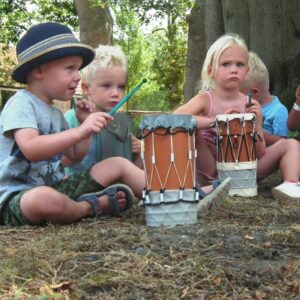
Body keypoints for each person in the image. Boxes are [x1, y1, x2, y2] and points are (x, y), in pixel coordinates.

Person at [0, 22, 147, 227]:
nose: (77, 76)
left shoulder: (56, 113)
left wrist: (84, 125)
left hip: (57, 188)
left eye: (78, 69)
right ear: (39, 71)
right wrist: (79, 131)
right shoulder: (21, 103)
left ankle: (173, 195)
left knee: (117, 163)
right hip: (17, 199)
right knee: (42, 199)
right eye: (70, 68)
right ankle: (86, 207)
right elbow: (31, 148)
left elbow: (75, 155)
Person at [174, 33, 300, 203]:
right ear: (211, 70)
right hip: (211, 171)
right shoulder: (206, 99)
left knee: (291, 144)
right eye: (226, 64)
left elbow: (260, 153)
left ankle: (290, 186)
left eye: (240, 64)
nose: (234, 69)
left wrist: (257, 124)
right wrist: (216, 122)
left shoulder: (249, 103)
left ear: (246, 71)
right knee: (189, 128)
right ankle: (208, 187)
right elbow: (175, 119)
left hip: (244, 173)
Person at [63, 45, 142, 175]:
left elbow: (132, 169)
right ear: (86, 88)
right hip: (78, 188)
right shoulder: (71, 119)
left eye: (121, 87)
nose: (116, 93)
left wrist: (137, 153)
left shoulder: (121, 123)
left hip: (114, 188)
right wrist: (82, 132)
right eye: (106, 86)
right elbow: (60, 162)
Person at [240, 52, 289, 145]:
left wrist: (256, 132)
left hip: (267, 155)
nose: (238, 99)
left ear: (255, 92)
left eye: (241, 96)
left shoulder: (279, 111)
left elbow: (284, 143)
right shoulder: (245, 105)